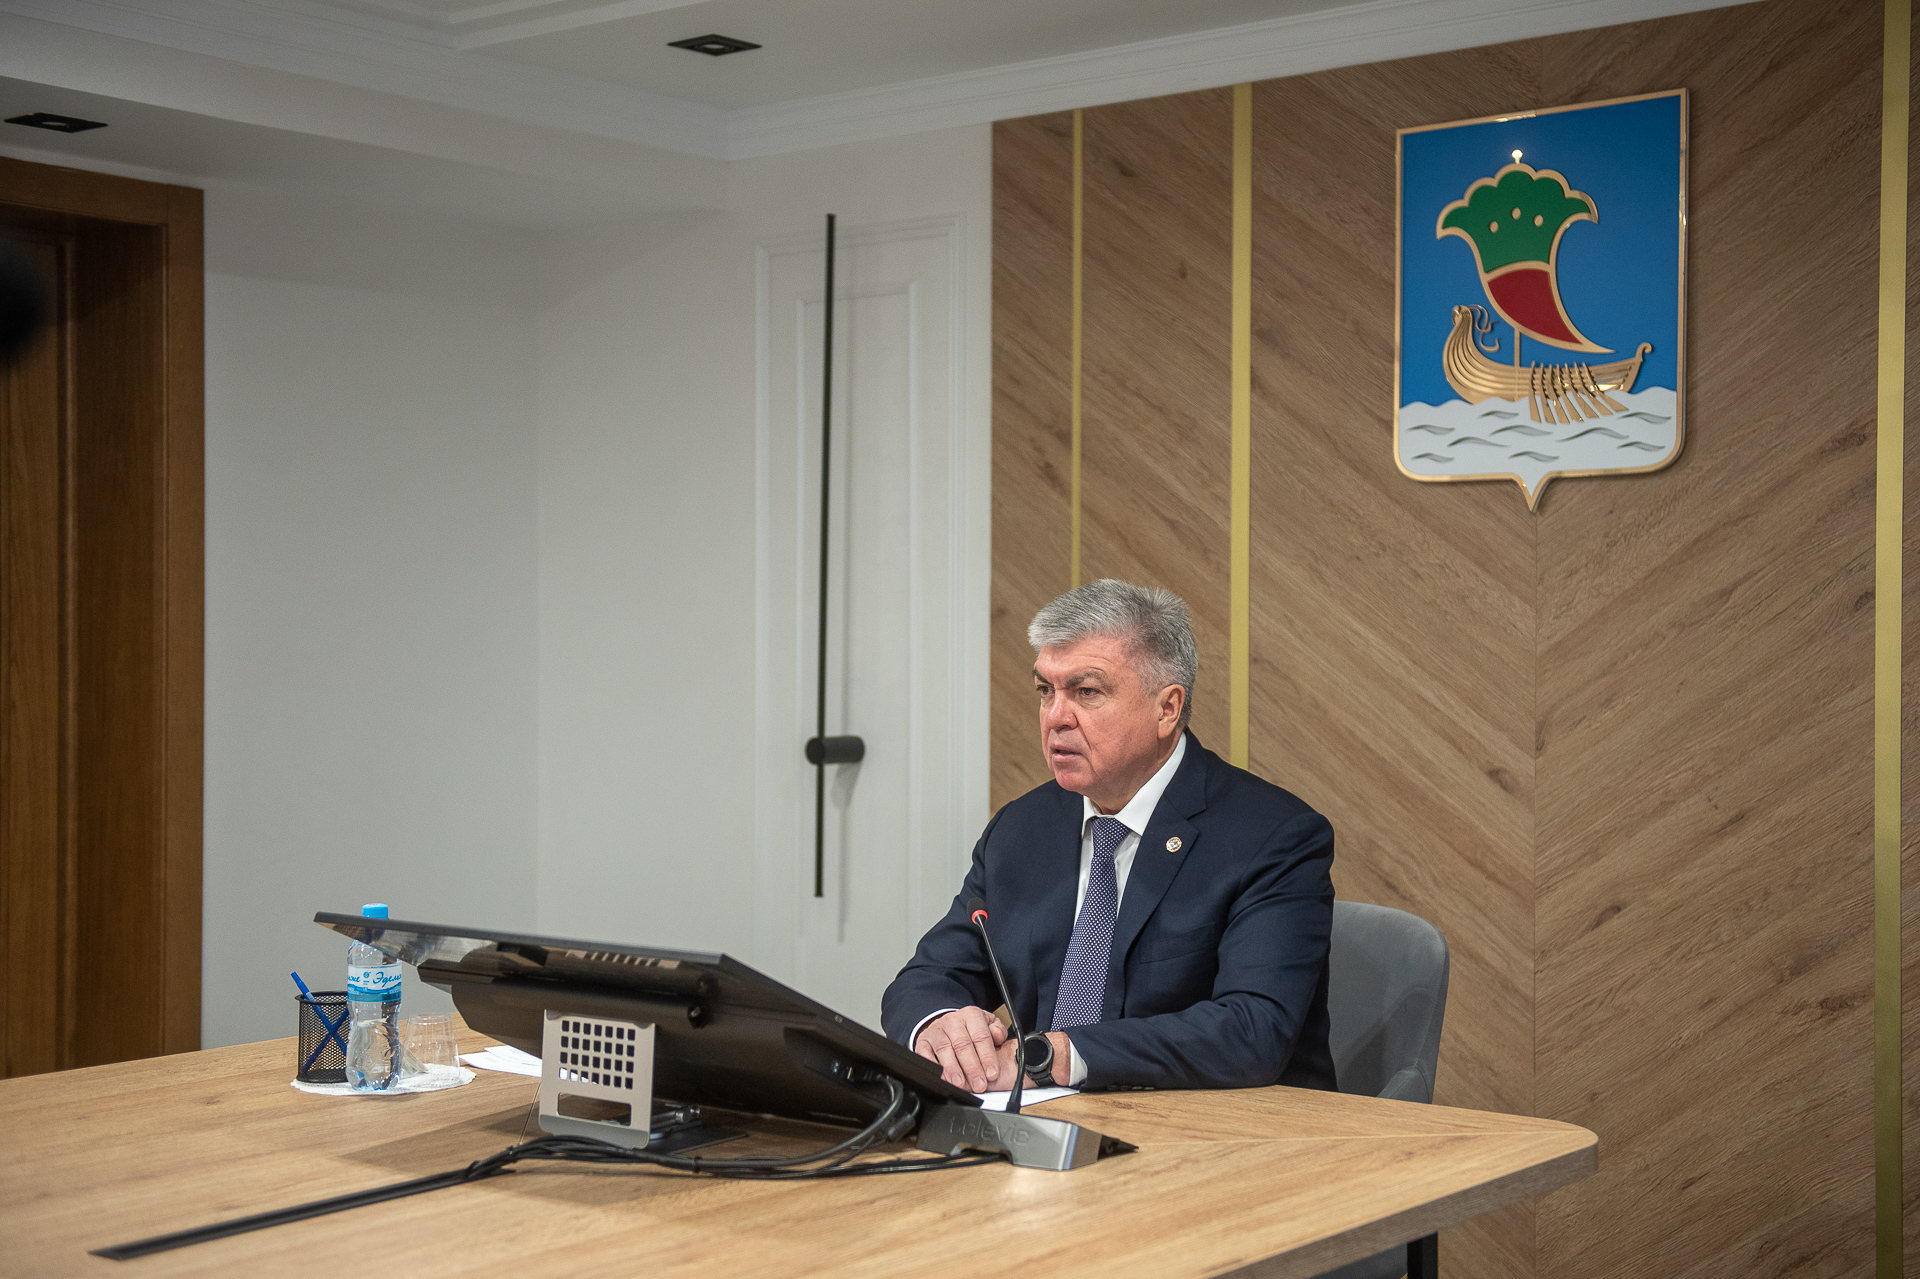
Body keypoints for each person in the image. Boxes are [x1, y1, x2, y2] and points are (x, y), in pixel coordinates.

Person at [881, 579, 1338, 1094]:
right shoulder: (1021, 829)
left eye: (1087, 692)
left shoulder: (1272, 836)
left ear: (1166, 709)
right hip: (1048, 1119)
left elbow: (1252, 1030)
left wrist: (1055, 1057)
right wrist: (940, 1025)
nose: (1056, 717)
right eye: (1045, 691)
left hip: (1225, 1125)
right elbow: (927, 977)